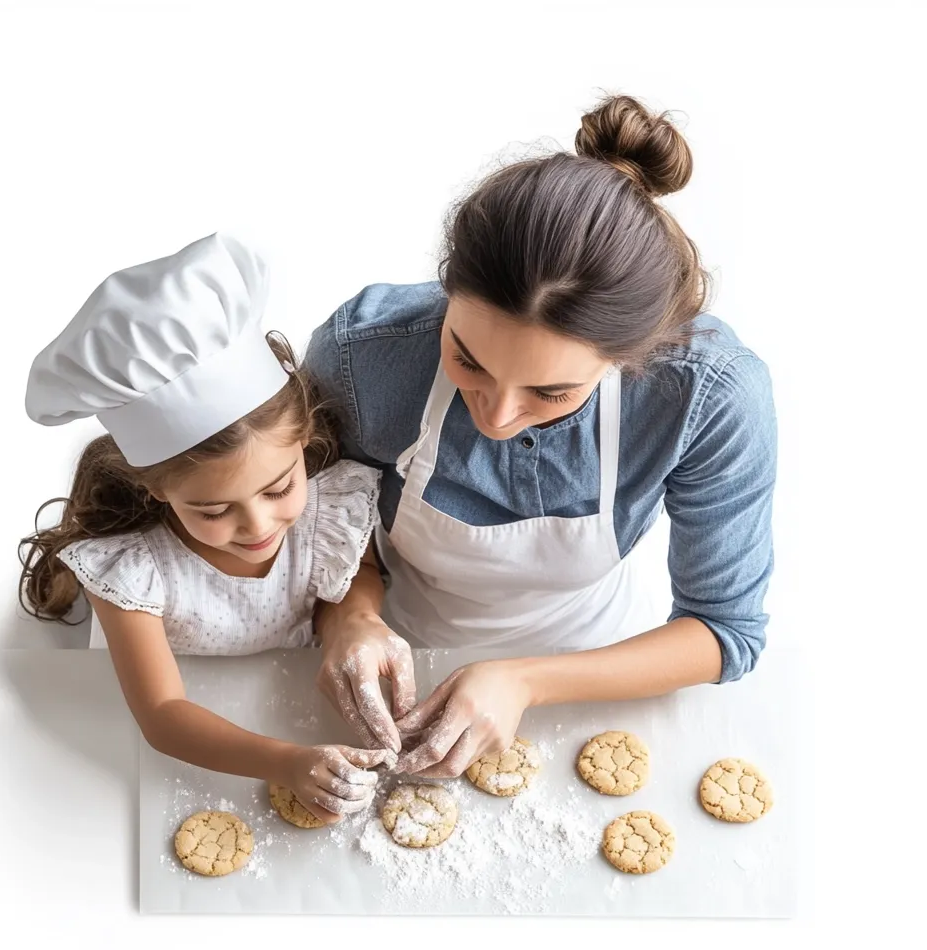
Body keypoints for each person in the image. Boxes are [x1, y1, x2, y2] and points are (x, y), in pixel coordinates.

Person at [304, 94, 777, 779]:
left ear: (630, 357)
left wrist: (527, 681)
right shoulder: (363, 355)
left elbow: (725, 631)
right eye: (467, 358)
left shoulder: (709, 396)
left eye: (550, 393)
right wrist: (350, 620)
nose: (496, 416)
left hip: (603, 671)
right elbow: (322, 528)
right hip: (393, 660)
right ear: (447, 286)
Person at [20, 232, 395, 822]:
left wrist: (358, 622)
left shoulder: (329, 510)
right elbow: (163, 713)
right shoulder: (134, 573)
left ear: (304, 442)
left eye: (278, 488)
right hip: (203, 721)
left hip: (288, 688)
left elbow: (353, 577)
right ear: (155, 489)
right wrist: (285, 762)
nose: (259, 523)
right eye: (214, 511)